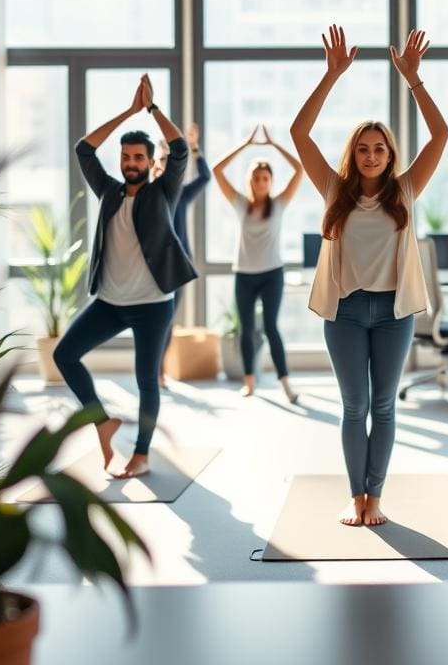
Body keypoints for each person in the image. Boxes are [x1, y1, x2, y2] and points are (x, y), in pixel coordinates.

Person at [290, 25, 448, 526]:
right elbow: (299, 134)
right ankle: (353, 494)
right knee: (352, 406)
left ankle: (374, 498)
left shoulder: (404, 191)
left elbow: (441, 135)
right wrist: (331, 75)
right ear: (353, 154)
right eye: (364, 148)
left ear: (390, 154)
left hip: (393, 311)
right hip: (347, 311)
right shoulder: (334, 190)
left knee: (384, 406)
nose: (372, 155)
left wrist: (414, 80)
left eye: (380, 148)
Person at [54, 75, 195, 478]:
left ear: (151, 163)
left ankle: (141, 454)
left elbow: (181, 148)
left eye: (138, 158)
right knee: (65, 355)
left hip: (152, 306)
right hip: (110, 304)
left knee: (146, 380)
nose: (131, 163)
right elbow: (84, 149)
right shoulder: (110, 191)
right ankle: (102, 421)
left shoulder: (163, 192)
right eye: (126, 157)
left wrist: (151, 110)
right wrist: (129, 112)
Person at [212, 124, 303, 402]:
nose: (261, 182)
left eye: (266, 178)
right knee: (247, 329)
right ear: (250, 181)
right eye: (257, 178)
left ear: (270, 181)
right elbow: (217, 170)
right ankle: (249, 381)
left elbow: (299, 169)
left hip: (272, 274)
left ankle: (285, 382)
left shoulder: (279, 204)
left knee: (271, 328)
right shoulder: (240, 203)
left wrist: (273, 145)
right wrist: (246, 145)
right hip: (245, 275)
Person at [154, 122, 211, 388]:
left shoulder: (182, 193)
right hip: (151, 268)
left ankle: (159, 370)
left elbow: (205, 178)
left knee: (167, 320)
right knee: (152, 321)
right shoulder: (146, 193)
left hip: (177, 268)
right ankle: (153, 369)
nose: (168, 163)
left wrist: (194, 148)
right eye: (163, 159)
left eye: (171, 159)